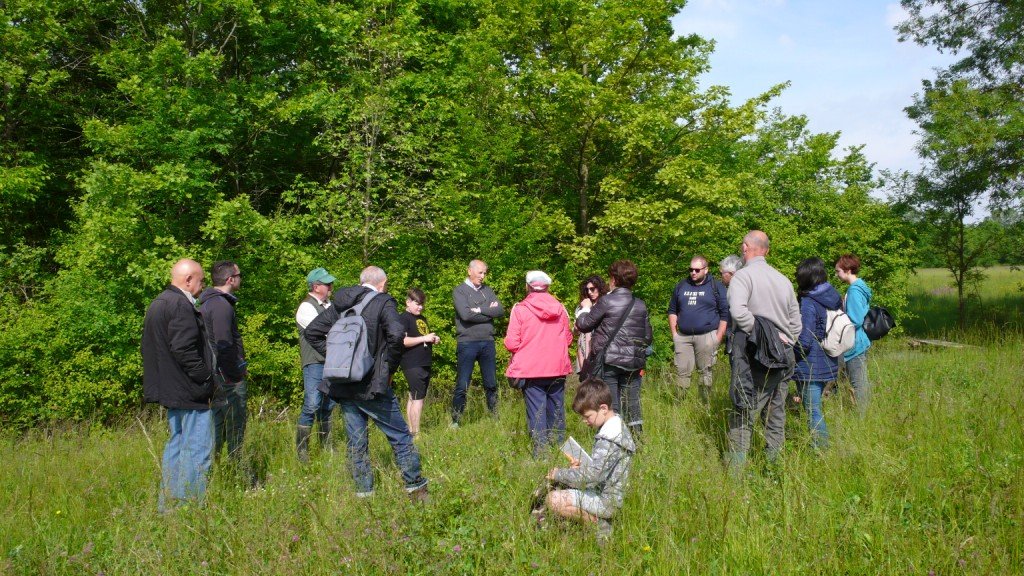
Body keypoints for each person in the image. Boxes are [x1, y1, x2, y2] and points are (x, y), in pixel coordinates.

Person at [304, 266, 428, 500]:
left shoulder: (341, 303)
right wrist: (388, 369)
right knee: (400, 436)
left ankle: (364, 494)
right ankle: (416, 489)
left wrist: (338, 359)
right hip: (372, 384)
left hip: (343, 383)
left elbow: (312, 332)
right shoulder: (383, 301)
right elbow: (396, 335)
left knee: (357, 442)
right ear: (382, 283)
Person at [142, 259, 216, 512]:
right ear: (188, 280)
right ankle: (189, 507)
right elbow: (184, 349)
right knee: (197, 450)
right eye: (201, 280)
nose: (202, 286)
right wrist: (205, 377)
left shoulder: (158, 302)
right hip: (190, 390)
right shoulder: (180, 305)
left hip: (171, 389)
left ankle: (169, 505)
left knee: (177, 445)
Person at [725, 231, 802, 472]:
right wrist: (785, 341)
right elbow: (796, 322)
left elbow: (738, 312)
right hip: (785, 355)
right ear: (766, 251)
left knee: (744, 410)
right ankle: (773, 468)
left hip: (756, 356)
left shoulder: (742, 277)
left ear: (745, 247)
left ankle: (735, 474)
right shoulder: (783, 280)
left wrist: (765, 338)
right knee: (776, 412)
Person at [541, 378, 636, 542]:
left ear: (603, 408)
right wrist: (580, 467)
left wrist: (559, 474)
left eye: (587, 416)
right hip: (610, 495)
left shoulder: (609, 438)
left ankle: (597, 524)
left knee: (553, 500)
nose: (585, 421)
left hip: (607, 501)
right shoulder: (617, 427)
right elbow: (602, 470)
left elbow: (594, 476)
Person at [575, 260, 652, 438]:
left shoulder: (606, 301)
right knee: (633, 406)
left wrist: (585, 309)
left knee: (611, 406)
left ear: (614, 279)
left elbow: (584, 325)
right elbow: (647, 337)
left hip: (609, 362)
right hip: (633, 363)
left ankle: (613, 443)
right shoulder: (640, 304)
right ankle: (637, 443)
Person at [505, 271, 573, 457]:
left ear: (528, 286)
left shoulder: (520, 309)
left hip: (531, 369)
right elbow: (568, 339)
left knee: (537, 411)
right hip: (557, 367)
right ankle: (560, 449)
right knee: (557, 409)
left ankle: (541, 453)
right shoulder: (560, 309)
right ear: (547, 287)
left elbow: (511, 343)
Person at [198, 260, 248, 465]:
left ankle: (213, 468)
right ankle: (236, 468)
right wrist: (235, 375)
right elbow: (223, 344)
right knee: (234, 422)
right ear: (230, 279)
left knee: (218, 423)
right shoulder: (220, 305)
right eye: (239, 275)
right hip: (225, 377)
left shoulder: (210, 302)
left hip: (217, 374)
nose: (240, 279)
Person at [793, 257, 842, 449]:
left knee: (813, 411)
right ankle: (821, 448)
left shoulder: (808, 301)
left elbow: (805, 340)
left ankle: (821, 451)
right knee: (816, 409)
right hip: (829, 359)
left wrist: (790, 356)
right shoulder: (833, 296)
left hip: (810, 366)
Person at [668, 254, 729, 403]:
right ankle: (679, 404)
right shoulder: (681, 285)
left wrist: (718, 337)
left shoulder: (716, 286)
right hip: (683, 337)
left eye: (697, 270)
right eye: (691, 270)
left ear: (706, 270)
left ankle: (704, 405)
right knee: (682, 372)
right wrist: (675, 334)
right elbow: (672, 310)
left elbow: (725, 313)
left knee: (705, 373)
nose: (693, 273)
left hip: (707, 336)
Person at [451, 259, 504, 426]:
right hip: (467, 342)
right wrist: (489, 313)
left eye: (484, 273)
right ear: (469, 271)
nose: (483, 276)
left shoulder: (487, 290)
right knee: (462, 384)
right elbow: (466, 315)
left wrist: (480, 309)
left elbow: (500, 310)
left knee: (491, 383)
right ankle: (456, 421)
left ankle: (495, 418)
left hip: (488, 341)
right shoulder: (459, 291)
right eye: (480, 272)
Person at [294, 267, 337, 463]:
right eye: (327, 284)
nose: (331, 287)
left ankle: (326, 447)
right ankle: (302, 451)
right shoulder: (306, 307)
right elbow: (324, 332)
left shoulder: (329, 305)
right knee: (312, 404)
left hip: (331, 362)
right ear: (316, 286)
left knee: (328, 405)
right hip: (314, 362)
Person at [399, 287, 439, 439]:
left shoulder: (422, 318)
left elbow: (423, 337)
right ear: (408, 302)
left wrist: (433, 339)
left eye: (422, 304)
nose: (420, 307)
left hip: (424, 362)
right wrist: (424, 338)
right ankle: (416, 434)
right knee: (418, 399)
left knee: (413, 397)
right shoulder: (403, 318)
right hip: (412, 363)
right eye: (417, 304)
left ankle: (411, 431)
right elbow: (403, 341)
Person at [835, 254, 873, 414]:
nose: (836, 274)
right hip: (856, 341)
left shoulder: (855, 290)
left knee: (859, 383)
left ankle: (862, 417)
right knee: (850, 380)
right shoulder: (859, 287)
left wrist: (839, 318)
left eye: (838, 271)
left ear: (848, 270)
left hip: (855, 343)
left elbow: (856, 319)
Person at [574, 276, 608, 373]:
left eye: (592, 289)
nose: (589, 292)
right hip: (583, 345)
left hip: (598, 346)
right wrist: (576, 328)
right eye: (587, 289)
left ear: (600, 288)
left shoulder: (605, 304)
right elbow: (576, 332)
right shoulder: (582, 306)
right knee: (585, 377)